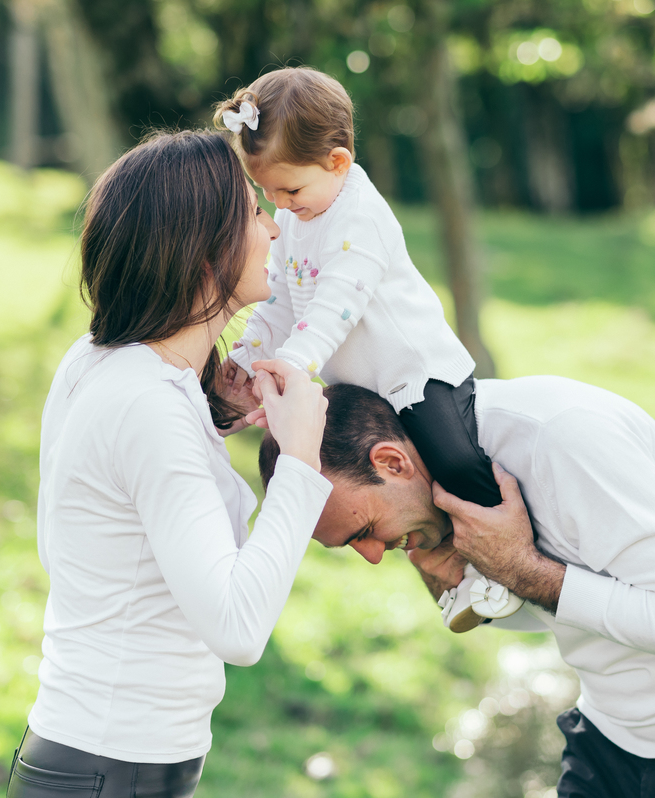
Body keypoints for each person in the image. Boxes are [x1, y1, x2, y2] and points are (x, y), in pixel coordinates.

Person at [258, 379, 655, 798]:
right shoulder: (447, 481)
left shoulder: (562, 440)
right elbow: (567, 612)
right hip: (616, 738)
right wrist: (469, 584)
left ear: (392, 462)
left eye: (363, 531)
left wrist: (522, 570)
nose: (370, 556)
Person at [6, 130, 332, 798]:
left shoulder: (104, 362)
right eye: (251, 213)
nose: (273, 227)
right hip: (111, 770)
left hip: (94, 761)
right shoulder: (147, 404)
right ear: (203, 246)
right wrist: (301, 462)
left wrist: (211, 405)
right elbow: (238, 628)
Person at [213, 66, 523, 632]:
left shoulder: (361, 216)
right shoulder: (299, 213)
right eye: (267, 191)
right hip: (366, 383)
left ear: (337, 161)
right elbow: (281, 301)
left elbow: (337, 301)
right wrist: (244, 359)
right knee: (382, 486)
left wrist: (297, 361)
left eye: (290, 189)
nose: (278, 204)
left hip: (414, 375)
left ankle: (496, 566)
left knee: (452, 463)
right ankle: (453, 575)